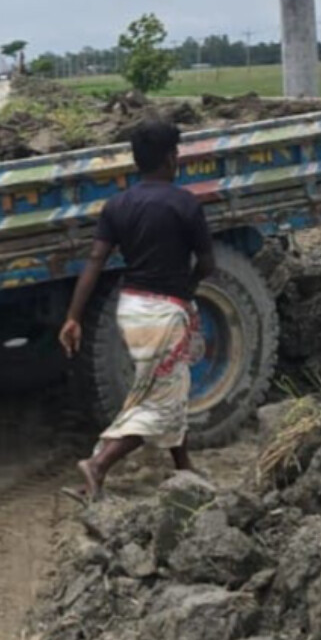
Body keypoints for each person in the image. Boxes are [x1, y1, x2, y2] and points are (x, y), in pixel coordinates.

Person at [58, 120, 215, 501]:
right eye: (176, 153)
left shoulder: (117, 205)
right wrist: (187, 290)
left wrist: (73, 317)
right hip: (164, 313)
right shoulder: (186, 204)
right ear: (169, 158)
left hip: (131, 310)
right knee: (158, 400)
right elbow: (207, 263)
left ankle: (183, 466)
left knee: (165, 388)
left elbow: (95, 261)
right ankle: (97, 466)